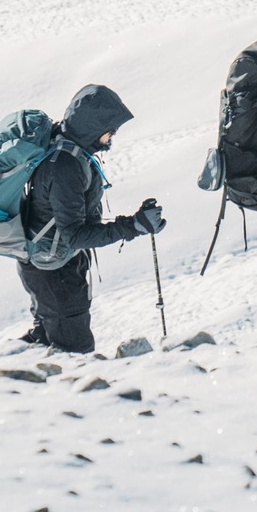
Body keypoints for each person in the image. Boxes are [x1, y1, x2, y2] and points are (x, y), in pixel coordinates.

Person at [18, 84, 165, 354]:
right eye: (111, 130)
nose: (113, 136)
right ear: (92, 127)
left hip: (50, 266)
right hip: (54, 273)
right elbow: (75, 234)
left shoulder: (70, 150)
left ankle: (14, 377)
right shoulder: (65, 166)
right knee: (75, 353)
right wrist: (133, 226)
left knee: (45, 344)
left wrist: (134, 222)